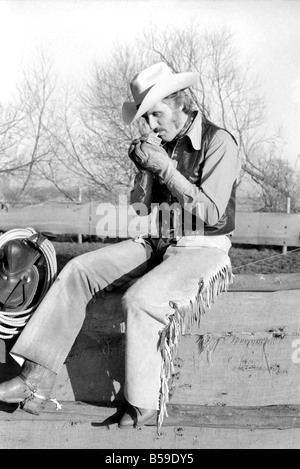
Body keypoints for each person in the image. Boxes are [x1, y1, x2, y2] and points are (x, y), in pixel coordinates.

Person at [0, 62, 240, 429]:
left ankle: (143, 405)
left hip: (202, 247)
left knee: (140, 300)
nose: (152, 126)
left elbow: (211, 212)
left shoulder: (219, 141)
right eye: (146, 119)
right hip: (157, 242)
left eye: (156, 114)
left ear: (182, 102)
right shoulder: (164, 145)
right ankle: (34, 382)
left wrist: (164, 169)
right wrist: (143, 170)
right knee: (78, 269)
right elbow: (140, 209)